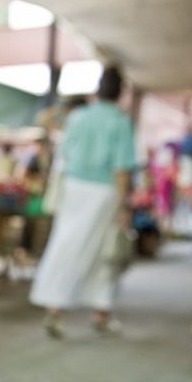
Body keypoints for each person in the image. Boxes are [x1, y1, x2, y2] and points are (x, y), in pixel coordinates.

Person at [28, 66, 136, 338]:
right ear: (121, 93)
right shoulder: (119, 121)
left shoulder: (79, 117)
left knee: (68, 244)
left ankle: (57, 309)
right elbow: (121, 168)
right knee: (103, 252)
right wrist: (124, 205)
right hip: (103, 192)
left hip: (73, 188)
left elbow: (53, 131)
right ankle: (99, 313)